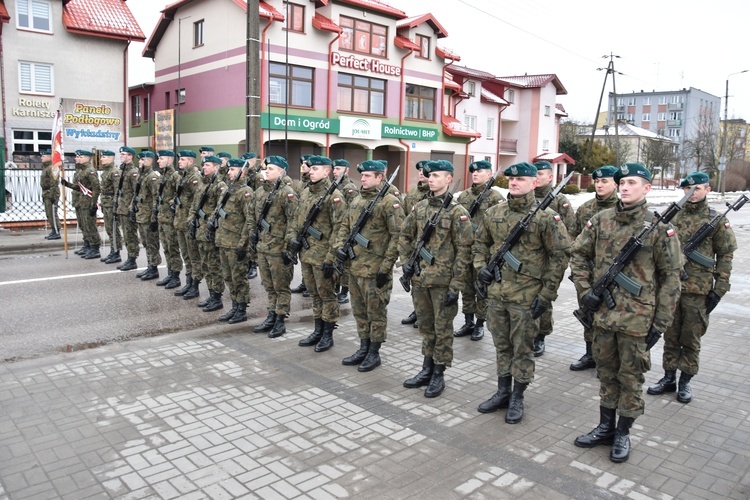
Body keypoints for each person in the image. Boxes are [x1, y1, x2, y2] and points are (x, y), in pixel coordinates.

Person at [570, 162, 681, 463]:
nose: (625, 186)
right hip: (603, 316)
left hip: (637, 320)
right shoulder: (600, 220)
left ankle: (623, 432)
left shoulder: (659, 228)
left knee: (630, 378)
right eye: (623, 182)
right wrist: (585, 291)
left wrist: (660, 323)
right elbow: (578, 255)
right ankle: (605, 427)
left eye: (633, 182)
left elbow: (672, 278)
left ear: (647, 188)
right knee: (606, 374)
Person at [473, 162, 570, 424]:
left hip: (527, 297)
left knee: (522, 348)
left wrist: (546, 295)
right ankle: (502, 391)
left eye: (521, 180)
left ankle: (518, 395)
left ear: (534, 183)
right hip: (497, 294)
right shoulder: (494, 213)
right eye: (511, 180)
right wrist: (481, 268)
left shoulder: (546, 217)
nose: (514, 183)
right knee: (501, 345)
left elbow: (559, 258)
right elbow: (480, 244)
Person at [647, 171, 737, 404]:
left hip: (698, 290)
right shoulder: (672, 216)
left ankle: (685, 380)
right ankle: (668, 377)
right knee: (670, 334)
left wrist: (720, 288)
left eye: (698, 189)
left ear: (708, 190)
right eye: (688, 189)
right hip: (670, 289)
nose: (692, 193)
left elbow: (725, 255)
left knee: (691, 337)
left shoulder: (716, 219)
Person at [399, 160, 473, 398]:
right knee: (426, 328)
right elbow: (405, 235)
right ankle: (426, 368)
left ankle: (439, 374)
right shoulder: (420, 208)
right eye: (429, 175)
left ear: (449, 179)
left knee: (442, 330)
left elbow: (465, 251)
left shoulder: (457, 213)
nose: (431, 179)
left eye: (437, 176)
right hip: (420, 280)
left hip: (443, 284)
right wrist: (407, 263)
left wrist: (456, 285)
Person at [335, 159, 404, 371]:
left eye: (367, 176)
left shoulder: (389, 202)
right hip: (355, 267)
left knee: (376, 313)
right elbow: (345, 227)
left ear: (379, 177)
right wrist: (340, 247)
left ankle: (374, 353)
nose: (362, 179)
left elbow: (398, 236)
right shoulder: (356, 200)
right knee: (359, 312)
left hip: (375, 270)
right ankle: (363, 347)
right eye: (362, 175)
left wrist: (386, 267)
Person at [568, 165, 619, 371]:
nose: (599, 185)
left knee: (611, 318)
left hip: (614, 276)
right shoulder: (585, 208)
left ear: (615, 183)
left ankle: (608, 360)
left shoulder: (622, 208)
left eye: (604, 181)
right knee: (587, 313)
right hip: (588, 275)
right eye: (597, 181)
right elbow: (573, 238)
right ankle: (590, 354)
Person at [292, 156, 345, 352]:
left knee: (327, 295)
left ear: (327, 172)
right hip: (306, 254)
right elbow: (298, 221)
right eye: (310, 168)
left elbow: (340, 229)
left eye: (315, 168)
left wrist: (331, 257)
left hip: (323, 256)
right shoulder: (306, 192)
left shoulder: (334, 196)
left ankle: (328, 334)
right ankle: (317, 330)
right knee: (314, 295)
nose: (310, 171)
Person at [454, 160, 505, 341]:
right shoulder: (464, 196)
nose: (475, 174)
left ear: (489, 174)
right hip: (465, 249)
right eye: (473, 172)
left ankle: (479, 324)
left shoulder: (495, 197)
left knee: (481, 287)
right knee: (466, 288)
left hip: (483, 252)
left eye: (480, 171)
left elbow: (498, 228)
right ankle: (468, 321)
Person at [531, 160, 576, 357]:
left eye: (541, 174)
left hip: (550, 259)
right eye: (535, 174)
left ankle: (541, 335)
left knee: (544, 299)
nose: (537, 178)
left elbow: (570, 230)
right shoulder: (526, 197)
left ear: (550, 177)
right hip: (528, 258)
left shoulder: (559, 201)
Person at [252, 156, 298, 338]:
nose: (267, 171)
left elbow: (293, 221)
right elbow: (253, 216)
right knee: (269, 286)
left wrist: (288, 248)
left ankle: (280, 320)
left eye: (271, 168)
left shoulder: (287, 193)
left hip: (279, 249)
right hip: (263, 247)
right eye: (266, 168)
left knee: (281, 287)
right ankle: (271, 315)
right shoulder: (260, 192)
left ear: (281, 171)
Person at [215, 159, 255, 324]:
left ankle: (242, 309)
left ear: (242, 172)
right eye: (229, 169)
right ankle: (234, 305)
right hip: (224, 240)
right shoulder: (229, 189)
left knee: (239, 277)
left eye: (233, 170)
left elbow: (249, 220)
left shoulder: (245, 192)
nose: (229, 172)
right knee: (228, 276)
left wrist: (242, 244)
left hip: (236, 242)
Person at [188, 155, 228, 311]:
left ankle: (217, 298)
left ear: (216, 167)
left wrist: (209, 226)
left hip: (210, 232)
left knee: (214, 265)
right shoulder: (202, 185)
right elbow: (194, 206)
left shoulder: (220, 186)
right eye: (203, 165)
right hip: (199, 230)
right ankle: (211, 294)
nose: (204, 167)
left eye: (208, 165)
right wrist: (191, 221)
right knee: (205, 265)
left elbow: (219, 210)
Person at [400, 160, 430, 328]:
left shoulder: (434, 196)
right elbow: (405, 219)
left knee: (425, 280)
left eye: (424, 170)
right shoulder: (411, 193)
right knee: (414, 279)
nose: (421, 173)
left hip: (428, 247)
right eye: (419, 170)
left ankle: (424, 313)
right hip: (413, 245)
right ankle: (417, 310)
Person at [173, 150, 203, 298]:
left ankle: (195, 285)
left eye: (183, 159)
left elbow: (197, 202)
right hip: (180, 221)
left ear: (191, 162)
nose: (179, 161)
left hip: (189, 222)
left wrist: (193, 222)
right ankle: (189, 282)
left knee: (194, 256)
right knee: (186, 255)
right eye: (180, 159)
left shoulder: (194, 178)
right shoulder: (182, 176)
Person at [61, 150, 101, 259]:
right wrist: (67, 184)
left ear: (87, 158)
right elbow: (79, 187)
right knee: (83, 225)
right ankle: (87, 244)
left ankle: (95, 247)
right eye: (77, 157)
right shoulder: (79, 171)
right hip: (80, 201)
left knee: (90, 225)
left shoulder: (90, 171)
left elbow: (96, 188)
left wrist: (94, 204)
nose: (76, 159)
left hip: (88, 202)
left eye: (80, 157)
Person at [154, 150, 182, 288]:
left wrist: (170, 204)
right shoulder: (162, 176)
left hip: (170, 219)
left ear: (170, 161)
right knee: (166, 247)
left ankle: (176, 276)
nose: (158, 161)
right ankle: (170, 273)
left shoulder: (175, 176)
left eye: (161, 158)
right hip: (162, 217)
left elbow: (179, 196)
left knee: (173, 248)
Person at [332, 158, 358, 305]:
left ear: (346, 171)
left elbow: (352, 212)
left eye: (338, 169)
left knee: (345, 264)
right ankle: (336, 287)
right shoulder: (334, 186)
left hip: (346, 230)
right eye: (334, 169)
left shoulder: (350, 188)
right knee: (336, 261)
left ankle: (344, 291)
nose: (335, 171)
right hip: (336, 229)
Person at [133, 151, 161, 280]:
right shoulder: (141, 176)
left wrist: (154, 217)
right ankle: (150, 265)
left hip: (149, 215)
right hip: (141, 214)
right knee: (145, 242)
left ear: (149, 161)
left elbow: (157, 198)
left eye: (142, 160)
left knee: (151, 242)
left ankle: (154, 268)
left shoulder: (152, 176)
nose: (139, 162)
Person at [115, 146, 141, 271]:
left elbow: (137, 192)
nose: (121, 156)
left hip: (128, 209)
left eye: (124, 154)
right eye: (120, 154)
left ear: (130, 156)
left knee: (130, 234)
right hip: (121, 207)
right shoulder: (122, 171)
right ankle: (129, 257)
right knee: (126, 234)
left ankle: (132, 259)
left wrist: (132, 208)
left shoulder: (133, 172)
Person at [291, 154, 313, 296]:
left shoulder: (313, 183)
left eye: (306, 164)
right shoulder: (300, 184)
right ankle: (305, 283)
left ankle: (310, 285)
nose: (303, 165)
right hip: (301, 222)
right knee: (303, 257)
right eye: (302, 163)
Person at [98, 150, 122, 263]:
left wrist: (116, 205)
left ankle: (116, 252)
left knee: (113, 229)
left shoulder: (114, 172)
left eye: (104, 157)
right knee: (109, 228)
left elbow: (117, 190)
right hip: (106, 203)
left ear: (111, 158)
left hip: (112, 204)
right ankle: (113, 251)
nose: (102, 159)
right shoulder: (106, 172)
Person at [39, 149, 61, 240]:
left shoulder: (52, 167)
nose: (41, 158)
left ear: (49, 157)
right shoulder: (46, 168)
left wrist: (52, 195)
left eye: (43, 156)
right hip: (46, 192)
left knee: (52, 213)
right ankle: (53, 230)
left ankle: (56, 231)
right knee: (49, 213)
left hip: (50, 192)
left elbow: (54, 182)